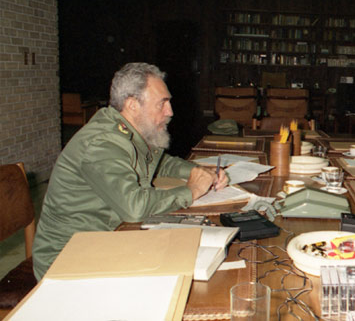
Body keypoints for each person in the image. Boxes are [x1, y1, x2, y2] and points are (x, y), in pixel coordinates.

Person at [33, 63, 228, 280]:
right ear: (133, 104)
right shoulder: (102, 144)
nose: (170, 112)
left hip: (109, 238)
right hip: (68, 258)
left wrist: (200, 171)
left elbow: (161, 163)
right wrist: (191, 190)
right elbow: (134, 207)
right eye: (162, 103)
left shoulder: (131, 132)